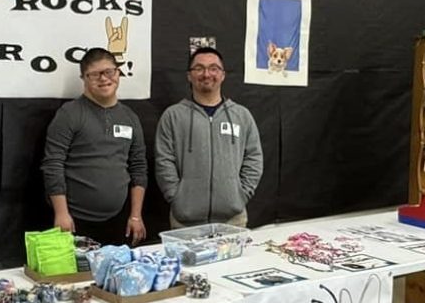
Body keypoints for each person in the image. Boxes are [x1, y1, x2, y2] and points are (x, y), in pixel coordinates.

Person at [41, 47, 148, 245]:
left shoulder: (130, 117)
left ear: (118, 73)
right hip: (74, 221)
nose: (104, 79)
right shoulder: (70, 114)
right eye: (95, 74)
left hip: (119, 221)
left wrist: (135, 216)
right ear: (84, 78)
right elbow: (53, 164)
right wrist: (62, 214)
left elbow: (138, 167)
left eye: (109, 72)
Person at [155, 47, 263, 228]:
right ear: (189, 75)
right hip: (184, 222)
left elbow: (254, 158)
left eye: (214, 68)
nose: (206, 74)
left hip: (233, 221)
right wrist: (177, 196)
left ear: (222, 75)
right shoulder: (173, 116)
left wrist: (240, 194)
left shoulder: (242, 115)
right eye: (199, 68)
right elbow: (163, 160)